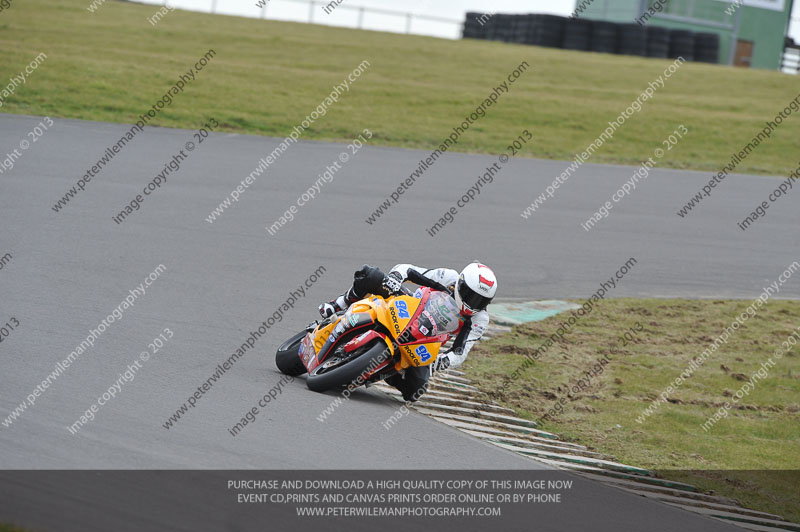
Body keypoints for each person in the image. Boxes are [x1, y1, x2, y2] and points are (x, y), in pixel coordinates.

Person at [318, 262, 497, 402]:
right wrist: (396, 278)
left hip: (423, 342)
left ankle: (389, 372)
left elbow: (460, 352)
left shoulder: (479, 319)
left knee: (415, 389)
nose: (474, 304)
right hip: (408, 305)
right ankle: (339, 304)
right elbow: (408, 270)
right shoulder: (448, 277)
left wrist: (441, 362)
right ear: (461, 283)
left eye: (481, 301)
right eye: (471, 296)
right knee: (370, 274)